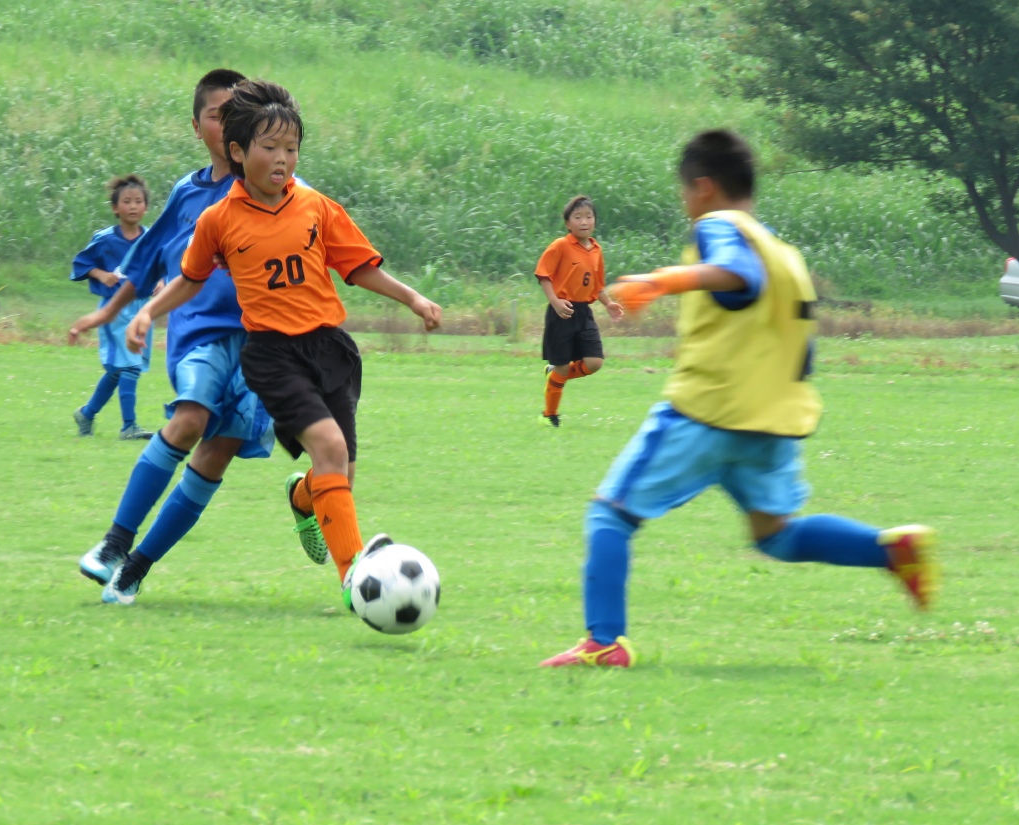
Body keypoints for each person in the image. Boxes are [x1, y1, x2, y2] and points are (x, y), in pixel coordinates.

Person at [540, 129, 939, 668]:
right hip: (773, 421)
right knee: (776, 535)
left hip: (707, 412)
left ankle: (605, 642)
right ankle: (890, 550)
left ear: (704, 187)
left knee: (610, 517)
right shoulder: (784, 254)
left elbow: (739, 276)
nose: (685, 203)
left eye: (684, 192)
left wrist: (661, 281)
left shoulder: (719, 227)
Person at [125, 79, 442, 606]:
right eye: (269, 147)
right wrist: (148, 312)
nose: (282, 159)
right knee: (331, 449)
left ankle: (303, 495)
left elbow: (357, 266)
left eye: (291, 148)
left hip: (330, 350)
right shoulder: (218, 220)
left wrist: (413, 298)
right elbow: (190, 279)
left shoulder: (315, 206)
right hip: (273, 356)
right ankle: (355, 580)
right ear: (237, 151)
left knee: (339, 474)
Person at [67, 69, 317, 606]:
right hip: (200, 335)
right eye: (218, 114)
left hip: (263, 345)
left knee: (218, 451)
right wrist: (112, 313)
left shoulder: (283, 193)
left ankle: (135, 569)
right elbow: (146, 263)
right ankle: (114, 543)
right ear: (199, 127)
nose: (229, 123)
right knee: (191, 419)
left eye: (240, 114)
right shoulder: (189, 194)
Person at [69, 174, 154, 440]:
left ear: (146, 207)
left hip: (141, 309)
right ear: (115, 208)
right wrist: (100, 274)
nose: (133, 206)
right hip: (114, 311)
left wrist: (161, 282)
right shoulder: (105, 239)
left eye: (138, 201)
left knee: (120, 370)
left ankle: (87, 413)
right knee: (129, 366)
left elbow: (160, 264)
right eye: (126, 201)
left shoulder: (151, 238)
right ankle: (129, 426)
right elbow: (81, 263)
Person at [535, 195, 623, 427]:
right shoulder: (560, 246)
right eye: (578, 217)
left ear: (595, 220)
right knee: (563, 366)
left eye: (589, 216)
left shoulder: (596, 250)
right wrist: (555, 302)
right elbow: (543, 275)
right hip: (562, 312)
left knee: (594, 362)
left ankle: (555, 374)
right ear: (568, 223)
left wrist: (608, 304)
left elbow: (597, 284)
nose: (584, 221)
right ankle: (549, 415)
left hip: (584, 313)